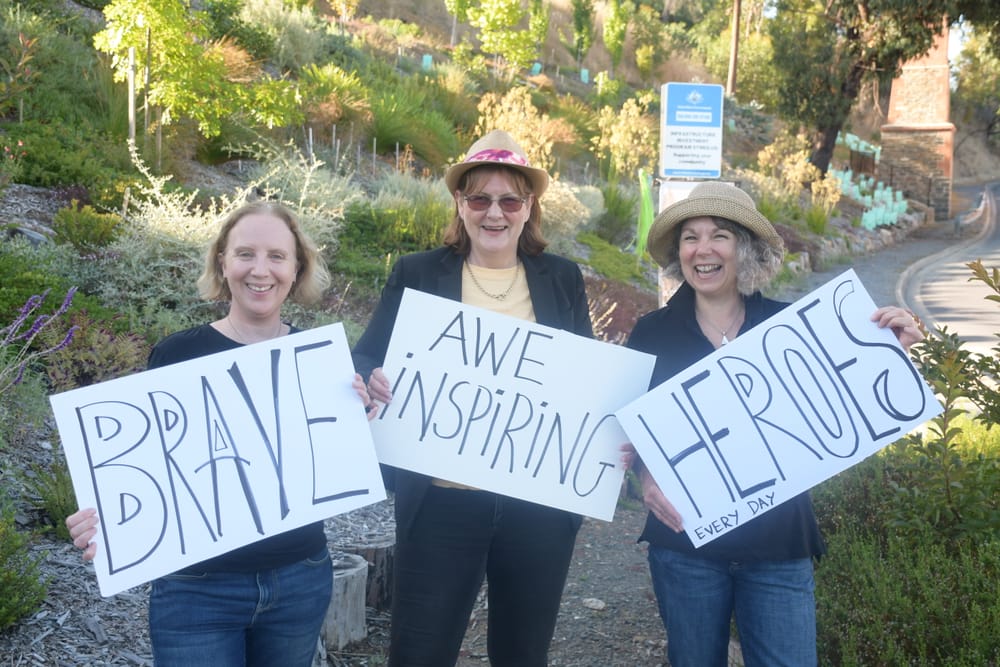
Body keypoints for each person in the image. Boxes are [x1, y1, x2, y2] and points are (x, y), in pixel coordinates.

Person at [622, 181, 922, 667]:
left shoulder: (793, 329)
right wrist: (644, 476)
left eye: (720, 235)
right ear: (679, 253)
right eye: (690, 237)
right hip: (686, 547)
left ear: (746, 249)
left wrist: (895, 353)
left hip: (779, 547)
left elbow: (851, 399)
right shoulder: (650, 333)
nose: (704, 249)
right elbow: (627, 435)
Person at [66, 200, 378, 667]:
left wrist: (369, 407)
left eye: (277, 256)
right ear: (222, 262)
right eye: (245, 253)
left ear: (297, 269)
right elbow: (152, 467)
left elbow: (346, 461)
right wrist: (105, 518)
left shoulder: (323, 364)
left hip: (299, 578)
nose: (261, 270)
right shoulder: (176, 355)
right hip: (196, 591)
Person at [353, 129, 593, 667]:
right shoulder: (417, 273)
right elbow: (366, 356)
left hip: (537, 505)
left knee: (522, 654)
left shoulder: (561, 279)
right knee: (420, 651)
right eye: (479, 198)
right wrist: (371, 378)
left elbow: (586, 383)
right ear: (459, 203)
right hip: (442, 501)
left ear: (529, 207)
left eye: (510, 200)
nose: (494, 213)